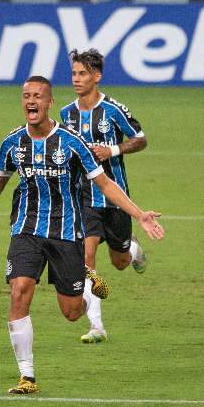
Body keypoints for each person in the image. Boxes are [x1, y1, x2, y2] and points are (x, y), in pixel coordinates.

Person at [0, 76, 165, 394]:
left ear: (50, 103)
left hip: (66, 233)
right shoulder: (12, 143)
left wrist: (138, 213)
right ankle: (27, 377)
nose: (31, 101)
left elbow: (105, 185)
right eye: (25, 96)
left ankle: (86, 283)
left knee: (71, 312)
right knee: (19, 290)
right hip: (26, 230)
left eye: (37, 96)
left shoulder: (72, 143)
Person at [59, 48, 148, 344]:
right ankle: (97, 325)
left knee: (119, 261)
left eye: (82, 73)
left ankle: (132, 249)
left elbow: (141, 139)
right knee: (86, 259)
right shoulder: (66, 114)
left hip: (115, 198)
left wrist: (114, 150)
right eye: (73, 73)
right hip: (84, 199)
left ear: (96, 76)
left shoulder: (113, 110)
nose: (76, 79)